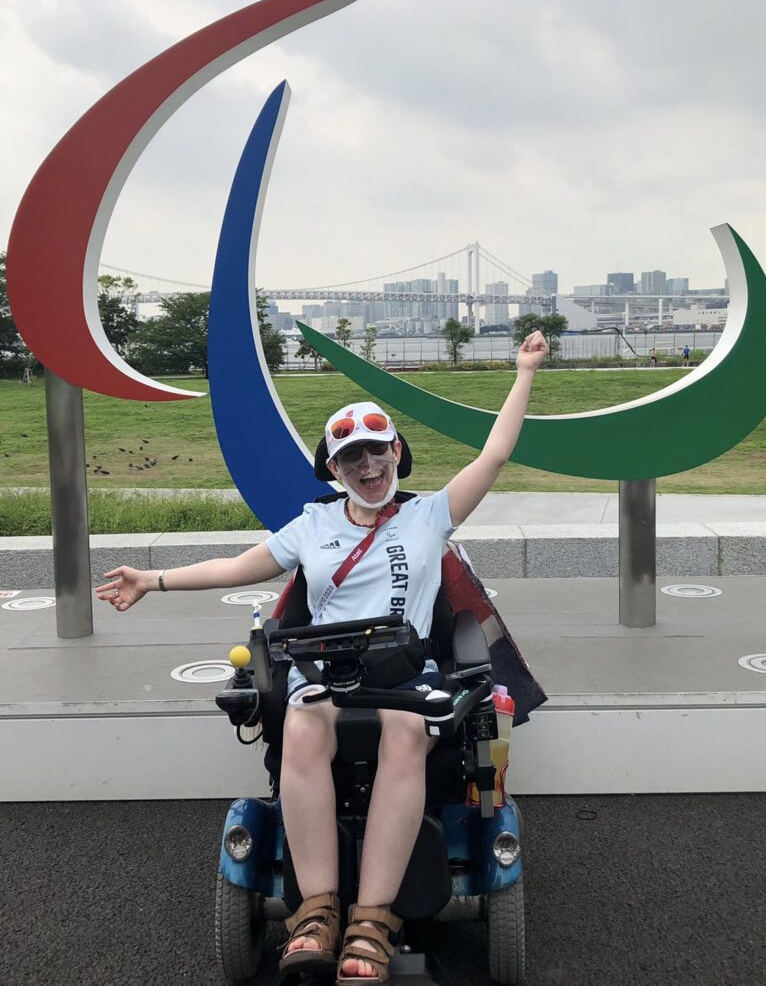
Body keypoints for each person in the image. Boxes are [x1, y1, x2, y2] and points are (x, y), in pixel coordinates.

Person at [96, 331, 548, 985]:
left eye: (377, 450)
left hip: (407, 673)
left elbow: (496, 452)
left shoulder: (429, 516)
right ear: (334, 469)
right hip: (327, 671)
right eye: (350, 458)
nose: (367, 466)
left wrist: (525, 372)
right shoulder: (312, 527)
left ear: (397, 453)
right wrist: (152, 579)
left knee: (404, 730)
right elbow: (236, 566)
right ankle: (315, 914)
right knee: (304, 726)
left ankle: (372, 921)